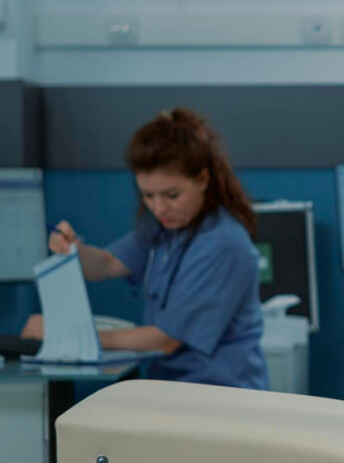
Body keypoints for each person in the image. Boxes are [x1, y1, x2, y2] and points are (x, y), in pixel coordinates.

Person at [22, 108, 268, 389]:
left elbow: (166, 340)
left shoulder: (223, 243)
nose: (159, 208)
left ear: (202, 179)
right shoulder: (164, 229)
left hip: (217, 397)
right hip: (174, 390)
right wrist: (73, 250)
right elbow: (106, 263)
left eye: (171, 195)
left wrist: (66, 337)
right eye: (148, 196)